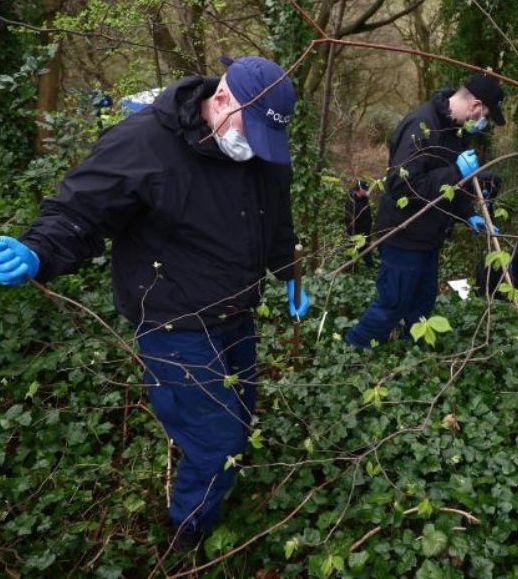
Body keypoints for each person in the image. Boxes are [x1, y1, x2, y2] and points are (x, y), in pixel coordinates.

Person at [0, 56, 310, 548]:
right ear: (222, 98)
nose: (254, 148)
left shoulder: (262, 151)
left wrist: (289, 273)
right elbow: (81, 209)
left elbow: (275, 217)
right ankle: (187, 533)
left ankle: (208, 487)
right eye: (249, 132)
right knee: (217, 442)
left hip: (237, 311)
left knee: (240, 415)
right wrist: (40, 249)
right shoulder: (143, 143)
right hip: (175, 322)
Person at [345, 72, 505, 348]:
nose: (484, 123)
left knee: (421, 306)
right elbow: (400, 185)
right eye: (487, 117)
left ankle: (412, 359)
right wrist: (455, 170)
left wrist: (468, 214)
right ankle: (353, 351)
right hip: (403, 235)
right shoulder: (421, 125)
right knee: (391, 305)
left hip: (429, 238)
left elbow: (448, 189)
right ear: (476, 106)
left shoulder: (455, 133)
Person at [344, 179, 374, 267]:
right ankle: (352, 269)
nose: (367, 191)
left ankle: (370, 267)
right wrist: (354, 235)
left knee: (367, 253)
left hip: (366, 232)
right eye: (365, 189)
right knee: (353, 255)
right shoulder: (351, 202)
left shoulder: (364, 198)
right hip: (356, 234)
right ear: (359, 190)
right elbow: (349, 220)